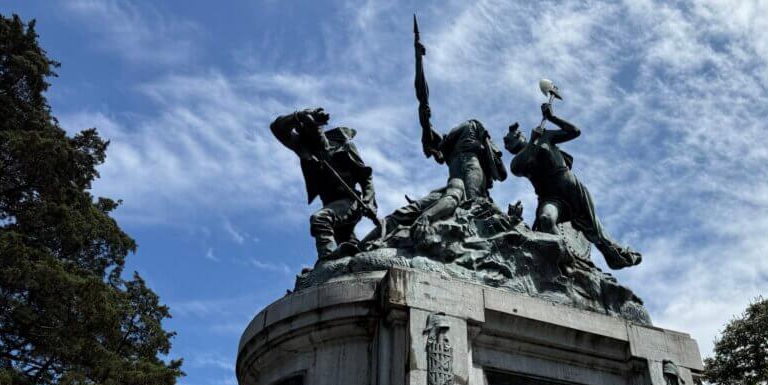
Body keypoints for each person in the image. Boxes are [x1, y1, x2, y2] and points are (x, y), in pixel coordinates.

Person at [503, 102, 641, 270]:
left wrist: (553, 118)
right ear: (510, 146)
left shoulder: (545, 137)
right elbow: (521, 166)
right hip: (551, 198)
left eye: (518, 132)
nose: (517, 134)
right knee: (546, 219)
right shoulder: (517, 162)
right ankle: (567, 261)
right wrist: (532, 140)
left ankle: (616, 257)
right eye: (513, 136)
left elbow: (574, 131)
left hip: (571, 189)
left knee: (595, 232)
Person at [380, 109, 508, 245]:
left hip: (467, 166)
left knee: (469, 201)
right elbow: (434, 136)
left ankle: (477, 239)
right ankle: (471, 239)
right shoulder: (461, 135)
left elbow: (501, 173)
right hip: (466, 166)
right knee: (470, 201)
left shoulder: (463, 135)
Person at [270, 107, 376, 261]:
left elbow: (365, 177)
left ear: (321, 129)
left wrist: (369, 201)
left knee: (321, 219)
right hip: (331, 203)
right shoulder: (305, 148)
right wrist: (298, 116)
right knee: (348, 244)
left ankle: (327, 262)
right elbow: (277, 128)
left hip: (350, 201)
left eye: (315, 128)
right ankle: (357, 262)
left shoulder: (343, 146)